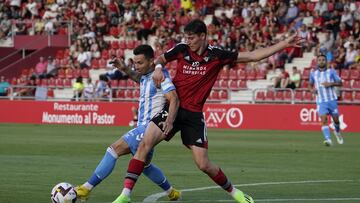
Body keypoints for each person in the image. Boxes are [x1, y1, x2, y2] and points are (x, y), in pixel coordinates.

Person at [113, 19, 302, 203]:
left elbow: (252, 56)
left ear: (203, 36)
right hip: (172, 108)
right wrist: (159, 68)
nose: (188, 41)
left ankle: (235, 193)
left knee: (203, 164)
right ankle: (125, 195)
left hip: (194, 115)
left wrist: (285, 43)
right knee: (145, 145)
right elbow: (161, 58)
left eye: (192, 37)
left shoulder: (217, 55)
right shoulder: (181, 49)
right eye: (186, 37)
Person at [75, 45, 181, 201]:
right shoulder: (145, 75)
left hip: (149, 127)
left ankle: (87, 188)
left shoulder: (161, 76)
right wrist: (125, 68)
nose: (136, 66)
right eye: (135, 62)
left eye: (140, 63)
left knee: (113, 150)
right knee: (144, 165)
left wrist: (170, 122)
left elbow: (173, 98)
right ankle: (172, 192)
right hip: (143, 127)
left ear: (152, 61)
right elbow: (140, 79)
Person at [308, 54, 344, 146]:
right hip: (321, 101)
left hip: (332, 100)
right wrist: (312, 90)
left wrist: (330, 84)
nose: (321, 61)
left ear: (326, 61)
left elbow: (340, 83)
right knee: (324, 120)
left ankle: (337, 132)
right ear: (317, 62)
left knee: (336, 120)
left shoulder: (331, 72)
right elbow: (310, 85)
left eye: (323, 60)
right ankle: (328, 139)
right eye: (319, 60)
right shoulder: (313, 74)